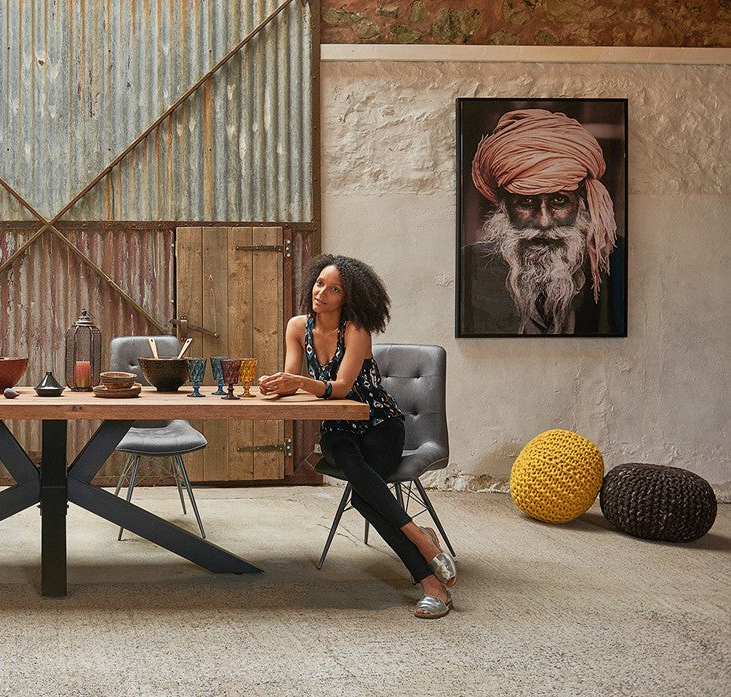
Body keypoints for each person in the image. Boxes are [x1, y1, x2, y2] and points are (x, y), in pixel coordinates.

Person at [259, 254, 457, 619]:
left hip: (380, 424)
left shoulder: (357, 330)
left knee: (366, 500)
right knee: (357, 475)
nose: (322, 293)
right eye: (320, 284)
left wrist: (299, 381)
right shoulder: (296, 327)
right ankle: (423, 549)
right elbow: (292, 381)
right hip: (337, 429)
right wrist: (275, 385)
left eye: (334, 289)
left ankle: (429, 576)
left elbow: (341, 387)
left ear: (347, 298)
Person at [461, 108, 622, 335]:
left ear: (581, 202)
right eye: (526, 202)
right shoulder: (470, 265)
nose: (544, 222)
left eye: (559, 200)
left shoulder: (615, 262)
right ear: (503, 207)